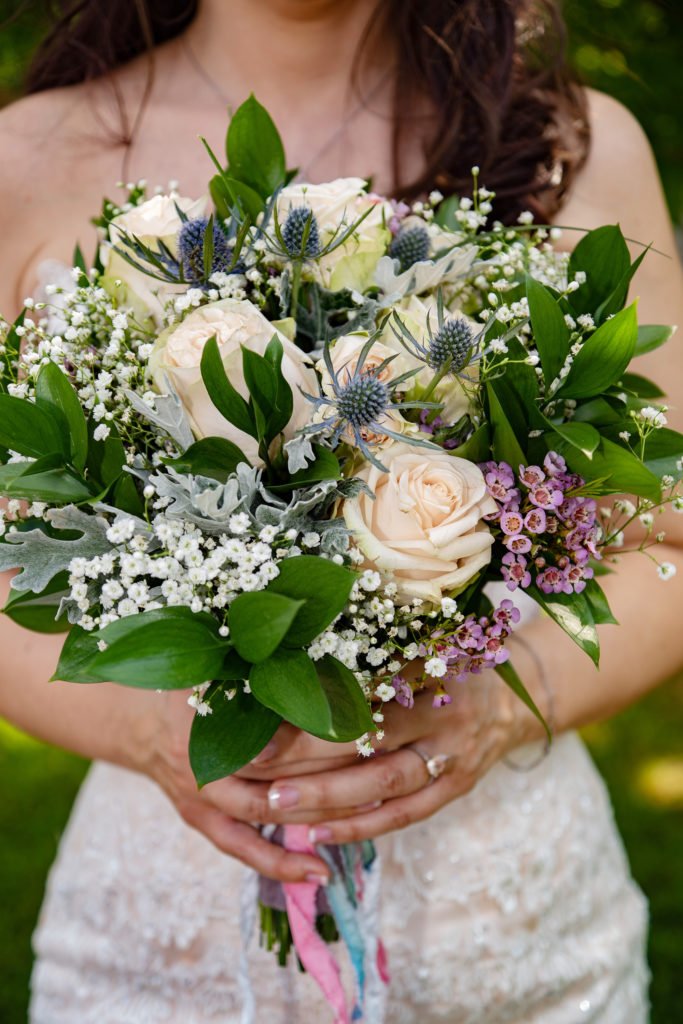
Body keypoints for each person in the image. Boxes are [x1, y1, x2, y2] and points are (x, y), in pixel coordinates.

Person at [1, 1, 682, 1020]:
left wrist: (498, 706)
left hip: (515, 934)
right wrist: (153, 730)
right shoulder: (26, 156)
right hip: (155, 949)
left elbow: (666, 537)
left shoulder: (571, 143)